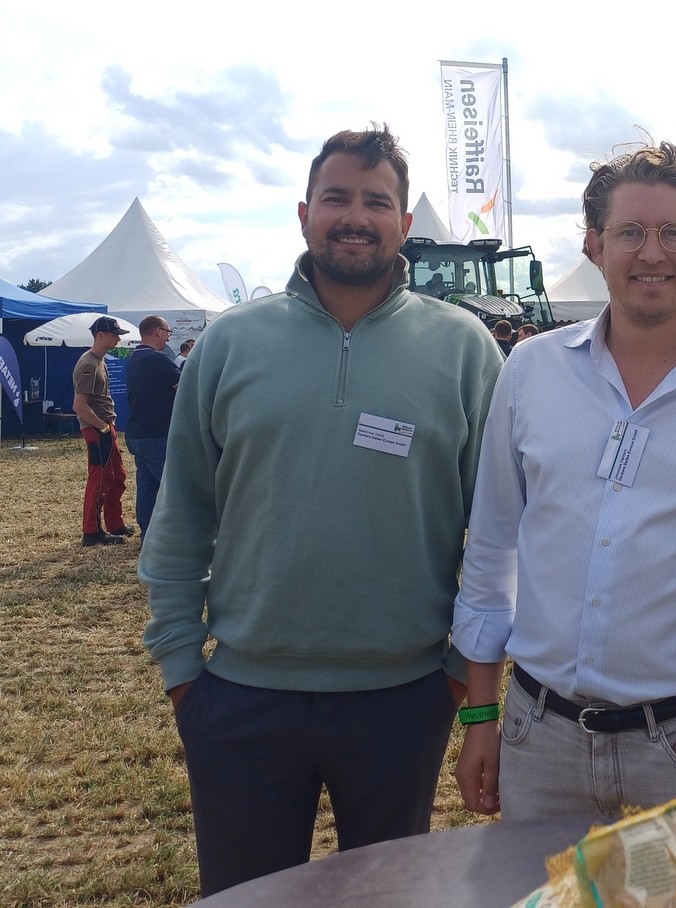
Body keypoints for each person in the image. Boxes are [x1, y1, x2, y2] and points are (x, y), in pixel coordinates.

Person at [139, 124, 504, 897]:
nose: (355, 217)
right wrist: (182, 673)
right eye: (337, 198)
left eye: (377, 201)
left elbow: (501, 533)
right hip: (241, 698)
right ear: (305, 213)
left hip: (403, 700)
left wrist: (453, 678)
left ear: (406, 223)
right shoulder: (230, 345)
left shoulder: (465, 349)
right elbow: (181, 517)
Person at [451, 141, 676, 828]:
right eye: (630, 233)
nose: (652, 252)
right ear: (593, 244)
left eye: (673, 232)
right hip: (540, 741)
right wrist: (480, 715)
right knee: (544, 889)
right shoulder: (529, 372)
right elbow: (493, 549)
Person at [72, 316, 133, 546]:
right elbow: (79, 405)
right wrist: (102, 428)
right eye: (114, 335)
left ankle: (114, 523)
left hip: (105, 426)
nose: (118, 339)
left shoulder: (98, 360)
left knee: (117, 476)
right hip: (98, 428)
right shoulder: (88, 364)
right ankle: (92, 531)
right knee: (100, 480)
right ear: (100, 335)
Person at [124, 315, 181, 539]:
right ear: (157, 331)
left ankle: (148, 535)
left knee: (147, 487)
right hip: (157, 434)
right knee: (172, 488)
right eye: (167, 332)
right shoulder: (158, 359)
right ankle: (175, 538)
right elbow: (185, 389)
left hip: (137, 433)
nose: (168, 338)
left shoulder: (134, 358)